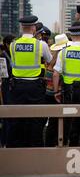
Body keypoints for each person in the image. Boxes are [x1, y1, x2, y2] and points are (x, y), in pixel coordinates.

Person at [8, 15, 52, 147]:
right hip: (35, 87)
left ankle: (15, 150)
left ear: (22, 28)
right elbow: (49, 60)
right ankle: (35, 151)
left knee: (17, 119)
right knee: (36, 119)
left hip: (17, 87)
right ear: (33, 28)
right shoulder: (41, 45)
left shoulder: (13, 45)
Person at [44, 34, 70, 147]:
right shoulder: (62, 62)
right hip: (58, 95)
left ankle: (49, 145)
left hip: (48, 95)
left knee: (52, 122)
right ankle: (60, 144)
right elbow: (57, 77)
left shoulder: (49, 63)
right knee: (60, 122)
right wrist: (57, 92)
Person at [0, 34, 15, 147]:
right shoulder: (3, 57)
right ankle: (5, 142)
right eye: (12, 42)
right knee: (7, 116)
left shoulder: (12, 55)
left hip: (11, 87)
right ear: (7, 44)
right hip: (6, 88)